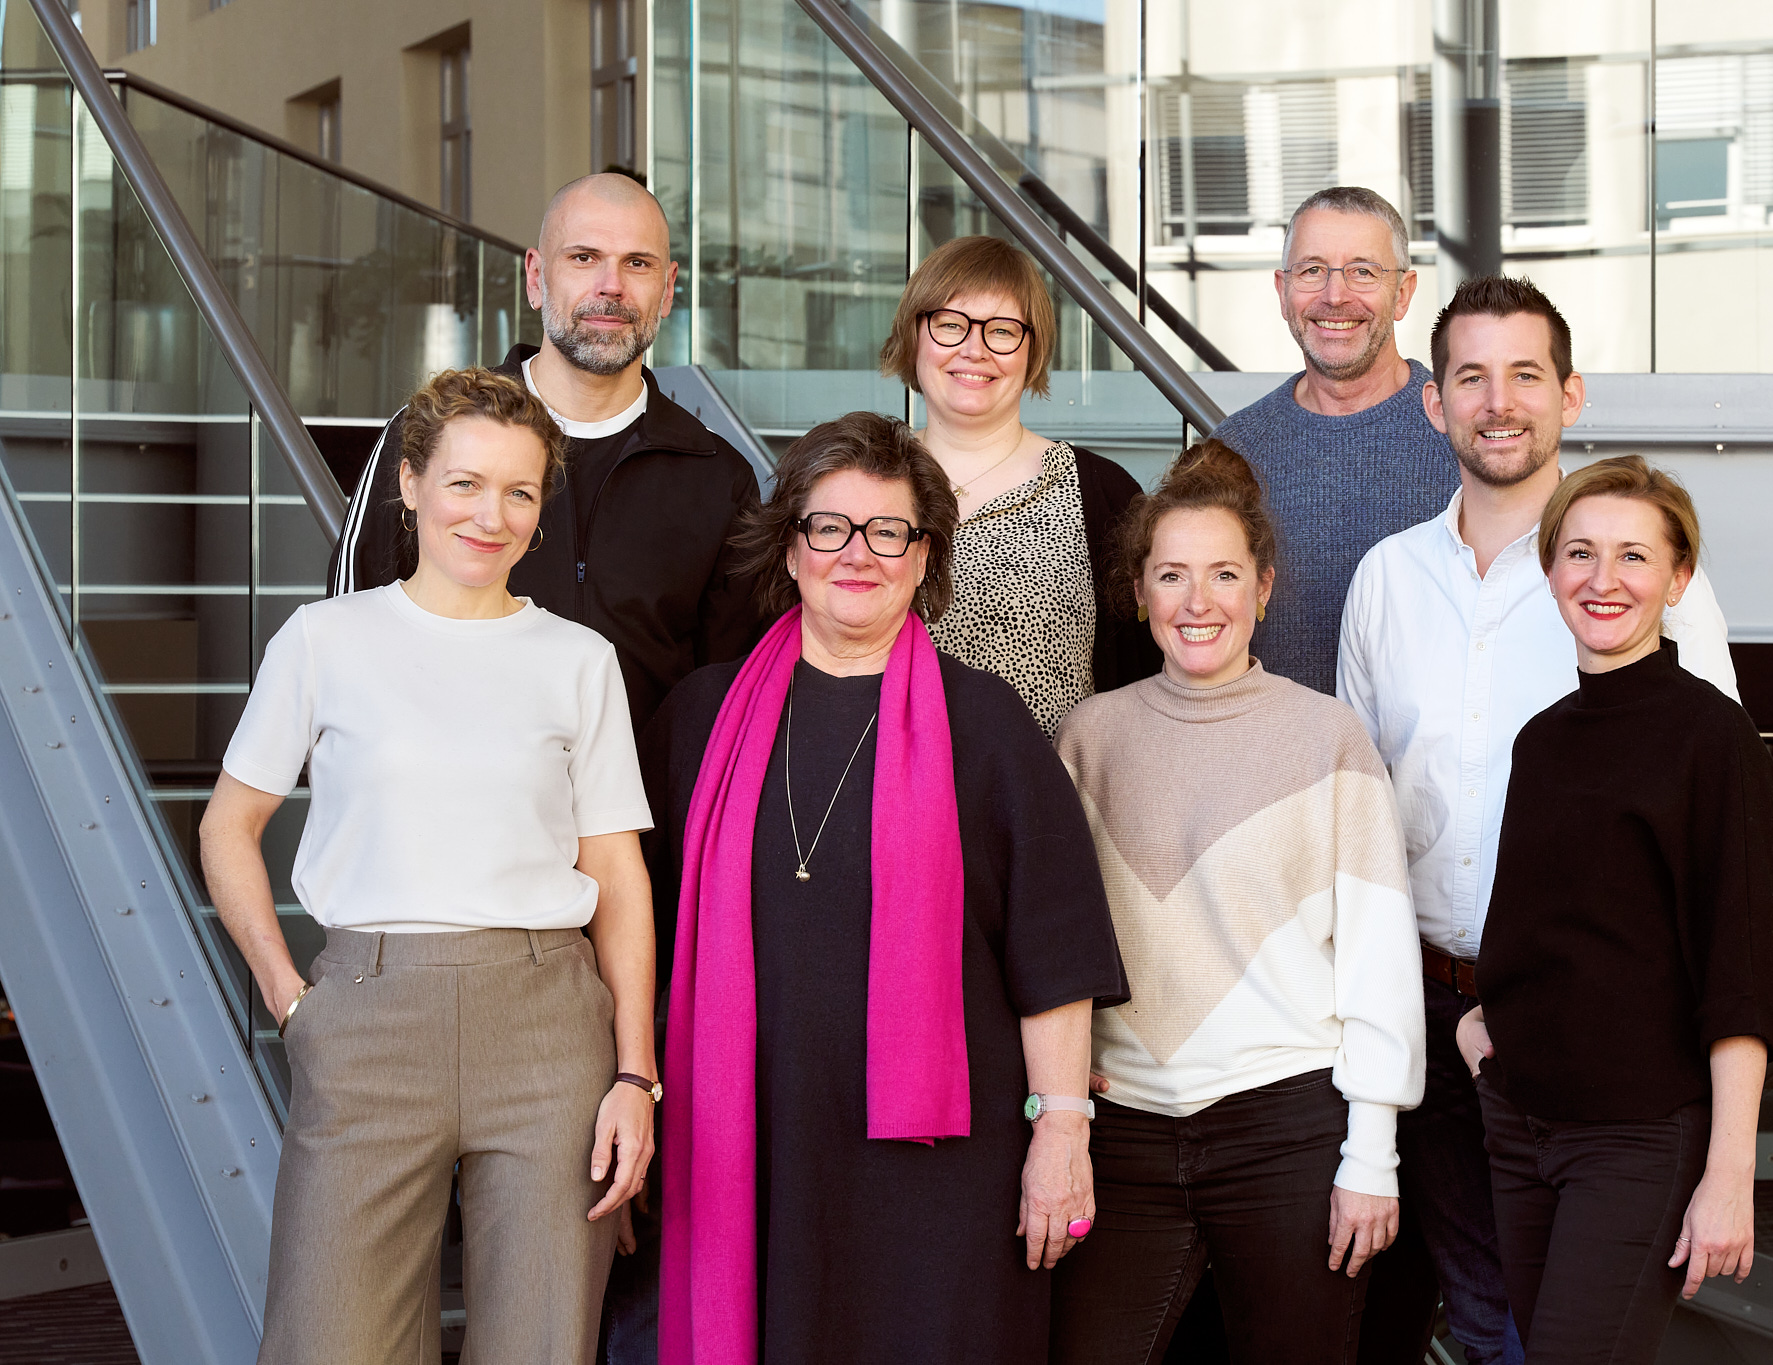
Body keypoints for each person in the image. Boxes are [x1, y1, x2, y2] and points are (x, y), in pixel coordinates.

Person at [200, 369, 659, 1364]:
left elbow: (618, 877)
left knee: (541, 1344)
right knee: (326, 1343)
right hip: (367, 1016)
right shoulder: (325, 640)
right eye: (464, 483)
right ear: (409, 485)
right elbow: (228, 827)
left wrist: (636, 1073)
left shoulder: (578, 659)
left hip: (547, 1027)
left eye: (519, 492)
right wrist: (289, 998)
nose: (490, 516)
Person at [648, 412, 1128, 1363]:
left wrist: (1062, 1132)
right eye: (830, 526)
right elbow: (640, 938)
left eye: (888, 530)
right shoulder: (699, 717)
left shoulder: (988, 726)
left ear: (925, 557)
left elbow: (1054, 954)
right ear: (790, 548)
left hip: (944, 1173)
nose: (856, 553)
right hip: (750, 1146)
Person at [1334, 276, 1742, 1365]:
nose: (1498, 402)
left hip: (1598, 1042)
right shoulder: (1385, 580)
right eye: (1470, 377)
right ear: (1433, 403)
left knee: (1563, 1336)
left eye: (1525, 375)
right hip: (1434, 1015)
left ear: (1570, 395)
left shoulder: (1635, 582)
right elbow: (1357, 816)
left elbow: (1710, 820)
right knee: (1480, 1319)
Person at [1050, 440, 1424, 1364]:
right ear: (1138, 592)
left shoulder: (1327, 736)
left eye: (1223, 574)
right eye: (1171, 574)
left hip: (1287, 1129)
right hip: (1123, 1133)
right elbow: (1051, 937)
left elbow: (1379, 959)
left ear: (1263, 587)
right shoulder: (1090, 735)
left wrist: (1371, 1154)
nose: (1198, 600)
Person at [1456, 456, 1773, 1363]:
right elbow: (1540, 929)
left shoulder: (1713, 738)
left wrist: (1729, 1174)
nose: (1602, 579)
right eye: (1579, 552)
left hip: (1638, 1138)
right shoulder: (1542, 741)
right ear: (1550, 571)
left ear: (1678, 579)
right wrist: (1482, 1024)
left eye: (1633, 556)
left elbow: (1741, 976)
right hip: (1521, 1127)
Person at [329, 171, 761, 734]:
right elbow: (352, 632)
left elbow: (733, 696)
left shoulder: (716, 477)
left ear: (668, 289)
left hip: (643, 792)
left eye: (637, 263)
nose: (611, 285)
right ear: (536, 277)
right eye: (584, 258)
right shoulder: (435, 433)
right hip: (456, 784)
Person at [878, 234, 1160, 735]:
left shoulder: (1103, 494)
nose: (974, 350)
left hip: (1051, 782)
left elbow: (1146, 682)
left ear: (1033, 349)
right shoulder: (858, 479)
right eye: (951, 324)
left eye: (1003, 331)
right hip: (883, 781)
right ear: (914, 333)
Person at [1208, 187, 1462, 698]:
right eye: (1312, 270)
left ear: (1404, 293)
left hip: (1433, 748)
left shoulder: (1465, 436)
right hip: (1275, 748)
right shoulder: (1231, 453)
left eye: (1363, 271)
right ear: (1283, 291)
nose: (1335, 295)